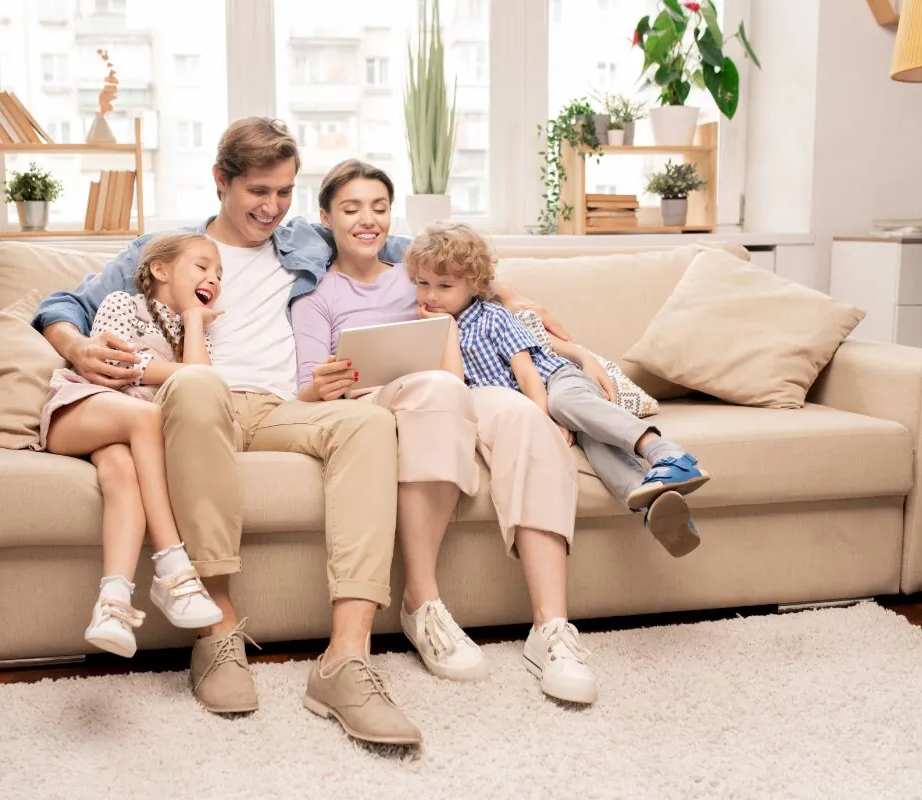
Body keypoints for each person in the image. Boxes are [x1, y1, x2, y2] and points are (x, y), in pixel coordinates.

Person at [32, 118, 572, 745]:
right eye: (258, 191)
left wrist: (508, 291)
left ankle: (346, 659)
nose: (271, 207)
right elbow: (64, 302)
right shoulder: (170, 246)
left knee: (368, 424)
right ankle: (218, 633)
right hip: (201, 398)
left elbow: (406, 248)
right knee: (199, 384)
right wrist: (72, 346)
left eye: (284, 191)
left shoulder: (303, 242)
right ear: (220, 181)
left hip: (280, 405)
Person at [292, 159, 597, 704]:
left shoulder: (415, 272)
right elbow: (306, 391)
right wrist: (326, 383)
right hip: (377, 399)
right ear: (325, 217)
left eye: (380, 208)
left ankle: (551, 628)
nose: (369, 220)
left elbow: (469, 272)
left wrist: (541, 322)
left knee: (526, 416)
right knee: (437, 389)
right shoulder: (317, 296)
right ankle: (422, 604)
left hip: (460, 388)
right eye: (352, 208)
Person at [406, 222, 711, 561]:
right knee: (596, 445)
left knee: (565, 403)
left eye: (444, 285)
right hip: (527, 408)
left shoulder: (492, 316)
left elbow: (526, 372)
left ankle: (665, 452)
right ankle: (654, 504)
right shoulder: (431, 328)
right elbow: (453, 386)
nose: (431, 295)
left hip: (555, 382)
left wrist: (545, 418)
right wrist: (446, 328)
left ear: (473, 285)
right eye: (423, 283)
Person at [38, 232, 226, 658]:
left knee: (122, 474)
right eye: (202, 267)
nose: (213, 279)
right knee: (147, 415)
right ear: (159, 270)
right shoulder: (124, 303)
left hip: (124, 433)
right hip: (84, 409)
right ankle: (174, 569)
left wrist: (195, 320)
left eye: (219, 274)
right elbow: (121, 366)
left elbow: (200, 378)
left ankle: (113, 605)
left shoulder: (190, 328)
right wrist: (180, 367)